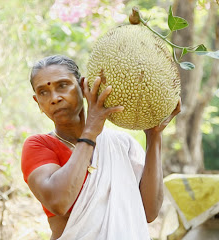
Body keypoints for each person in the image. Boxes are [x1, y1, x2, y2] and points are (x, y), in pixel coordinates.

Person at [21, 55, 181, 240]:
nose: (54, 98)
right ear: (37, 102)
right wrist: (90, 132)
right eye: (43, 92)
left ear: (83, 86)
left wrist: (154, 136)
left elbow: (149, 212)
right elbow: (59, 202)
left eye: (63, 85)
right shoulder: (39, 145)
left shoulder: (121, 144)